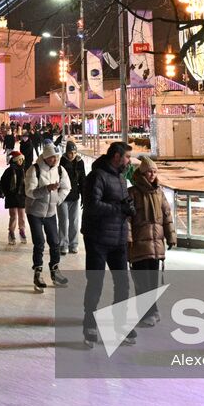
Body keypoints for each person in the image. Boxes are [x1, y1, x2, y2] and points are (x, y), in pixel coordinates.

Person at [81, 141, 135, 347]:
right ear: (116, 157)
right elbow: (92, 206)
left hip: (118, 239)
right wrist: (118, 208)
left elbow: (120, 205)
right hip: (98, 239)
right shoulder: (97, 176)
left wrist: (129, 208)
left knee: (122, 283)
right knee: (95, 282)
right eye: (127, 157)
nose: (129, 161)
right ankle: (90, 322)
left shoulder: (121, 178)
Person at [127, 155, 175, 327]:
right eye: (149, 172)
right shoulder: (132, 193)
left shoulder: (159, 194)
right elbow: (127, 220)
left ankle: (152, 310)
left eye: (154, 172)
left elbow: (167, 217)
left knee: (153, 281)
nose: (152, 175)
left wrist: (171, 236)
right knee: (142, 281)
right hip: (139, 245)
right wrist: (129, 238)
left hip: (156, 245)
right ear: (142, 173)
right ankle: (146, 312)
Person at [23, 140, 71, 291]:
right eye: (52, 157)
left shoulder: (60, 170)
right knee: (39, 242)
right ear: (45, 157)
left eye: (56, 157)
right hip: (35, 212)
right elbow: (29, 191)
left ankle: (55, 270)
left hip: (50, 212)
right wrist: (46, 189)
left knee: (55, 242)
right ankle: (38, 273)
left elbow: (66, 187)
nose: (55, 160)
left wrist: (57, 200)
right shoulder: (34, 169)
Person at [57, 140, 86, 254]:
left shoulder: (80, 162)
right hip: (62, 197)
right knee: (63, 221)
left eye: (74, 152)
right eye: (70, 153)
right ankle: (63, 244)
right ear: (66, 152)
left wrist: (83, 195)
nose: (72, 155)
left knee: (74, 221)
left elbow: (83, 179)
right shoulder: (60, 162)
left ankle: (73, 244)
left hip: (75, 196)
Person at [0, 150, 29, 244]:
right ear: (15, 160)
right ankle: (11, 232)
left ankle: (22, 230)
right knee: (13, 216)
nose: (20, 162)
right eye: (18, 160)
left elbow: (28, 183)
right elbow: (3, 182)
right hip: (11, 197)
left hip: (22, 197)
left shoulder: (25, 170)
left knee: (22, 216)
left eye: (21, 160)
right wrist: (4, 192)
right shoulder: (9, 171)